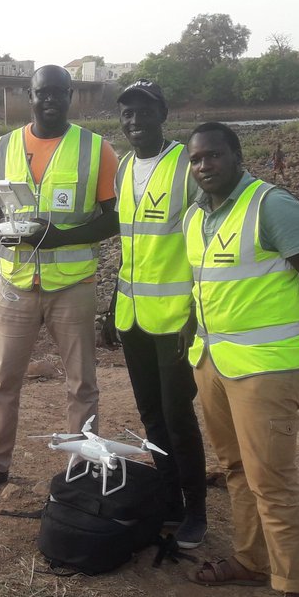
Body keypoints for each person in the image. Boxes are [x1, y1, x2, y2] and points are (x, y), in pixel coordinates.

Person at [182, 122, 299, 597]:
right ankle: (250, 561)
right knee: (234, 468)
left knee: (272, 481)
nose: (204, 166)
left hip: (266, 368)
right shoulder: (196, 217)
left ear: (236, 156)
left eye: (213, 155)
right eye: (196, 159)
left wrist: (291, 325)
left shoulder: (271, 206)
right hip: (213, 362)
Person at [0, 65, 119, 492]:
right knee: (2, 382)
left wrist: (62, 237)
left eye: (58, 92)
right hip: (15, 283)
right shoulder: (3, 146)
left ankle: (81, 468)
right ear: (29, 96)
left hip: (73, 285)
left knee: (82, 385)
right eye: (42, 92)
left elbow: (114, 218)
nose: (50, 99)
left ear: (70, 96)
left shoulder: (96, 149)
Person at [102, 80, 208, 549]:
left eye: (144, 112)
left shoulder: (186, 165)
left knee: (177, 415)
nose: (135, 121)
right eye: (127, 113)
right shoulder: (124, 168)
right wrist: (112, 305)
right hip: (133, 316)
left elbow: (207, 239)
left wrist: (197, 313)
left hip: (176, 319)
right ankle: (170, 501)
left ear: (162, 115)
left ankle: (197, 512)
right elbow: (131, 246)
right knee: (151, 415)